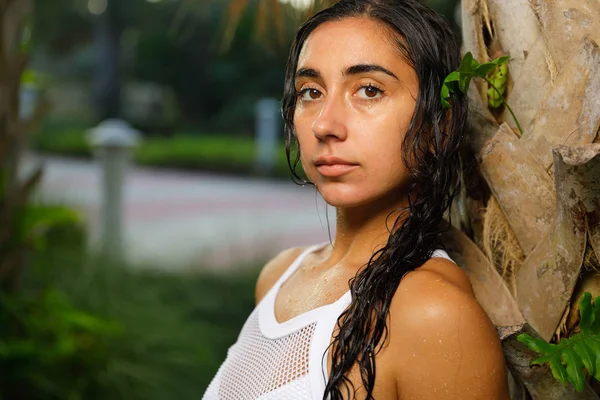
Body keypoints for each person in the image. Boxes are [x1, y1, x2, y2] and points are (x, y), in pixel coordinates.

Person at [203, 0, 510, 399]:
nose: (325, 124)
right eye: (310, 91)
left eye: (369, 90)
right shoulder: (278, 277)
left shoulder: (433, 315)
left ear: (439, 124)